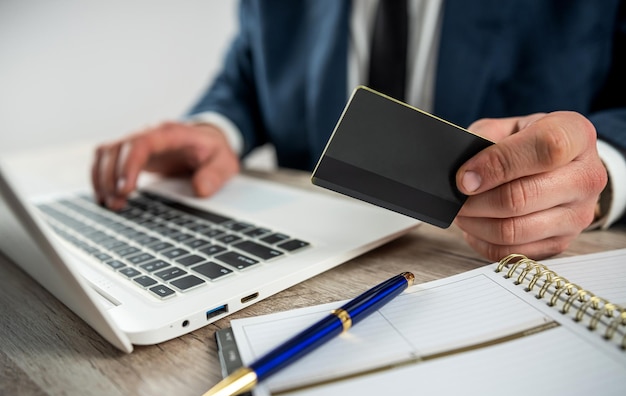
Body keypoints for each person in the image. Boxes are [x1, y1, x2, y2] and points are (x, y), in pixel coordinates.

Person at [92, 0, 626, 262]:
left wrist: (598, 165)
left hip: (474, 267)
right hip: (311, 255)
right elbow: (250, 72)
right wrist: (217, 127)